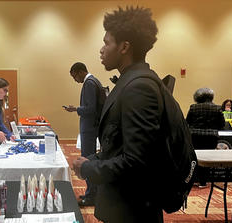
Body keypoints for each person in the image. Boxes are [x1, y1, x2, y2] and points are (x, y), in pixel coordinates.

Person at [72, 6, 168, 222]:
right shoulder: (131, 81)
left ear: (124, 47)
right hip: (126, 205)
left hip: (132, 208)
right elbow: (120, 145)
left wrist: (90, 167)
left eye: (107, 43)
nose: (101, 50)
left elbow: (137, 162)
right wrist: (94, 158)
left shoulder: (139, 87)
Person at [64, 62, 104, 206]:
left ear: (80, 71)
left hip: (90, 128)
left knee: (87, 161)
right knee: (90, 160)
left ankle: (91, 196)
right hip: (92, 127)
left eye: (74, 75)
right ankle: (91, 193)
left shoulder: (89, 83)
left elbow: (90, 109)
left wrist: (76, 109)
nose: (75, 79)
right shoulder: (93, 82)